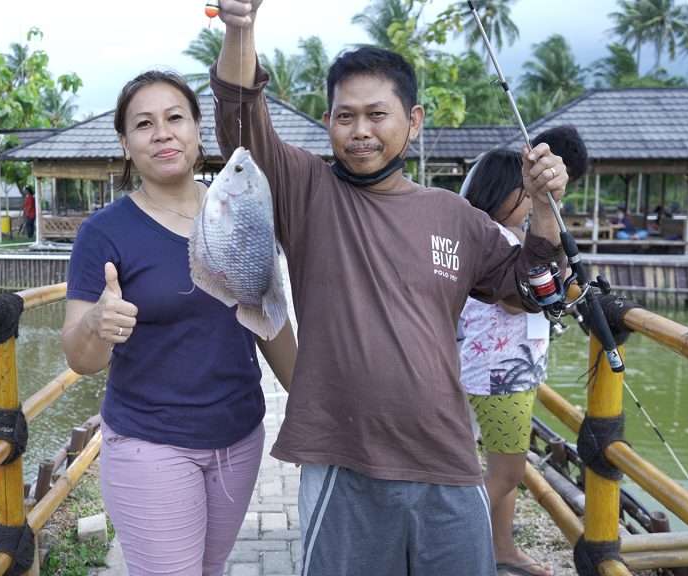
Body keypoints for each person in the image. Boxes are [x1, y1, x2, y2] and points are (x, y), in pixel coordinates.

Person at [212, 2, 569, 574]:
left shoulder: (455, 216)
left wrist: (546, 212)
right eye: (344, 116)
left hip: (447, 458)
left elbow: (534, 291)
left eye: (377, 115)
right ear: (328, 122)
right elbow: (238, 118)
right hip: (343, 458)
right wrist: (240, 28)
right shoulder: (307, 192)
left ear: (415, 120)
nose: (360, 132)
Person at [60, 70, 297, 576]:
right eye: (144, 124)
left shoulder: (239, 206)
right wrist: (98, 323)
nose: (162, 133)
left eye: (175, 118)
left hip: (239, 435)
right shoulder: (103, 234)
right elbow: (81, 359)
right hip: (151, 442)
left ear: (196, 131)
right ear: (126, 144)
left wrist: (313, 406)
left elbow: (266, 314)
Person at [459, 149, 553, 576]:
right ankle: (446, 541)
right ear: (503, 194)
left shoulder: (476, 233)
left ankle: (502, 548)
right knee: (508, 472)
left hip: (485, 370)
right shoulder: (506, 240)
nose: (531, 200)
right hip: (502, 376)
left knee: (500, 464)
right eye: (525, 192)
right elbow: (524, 302)